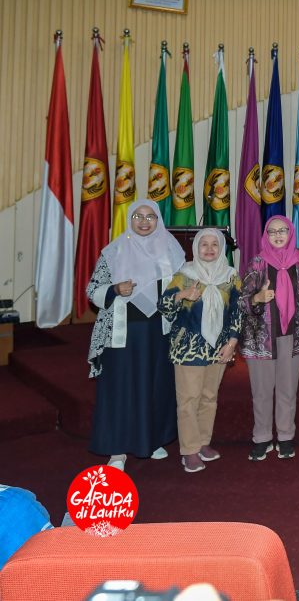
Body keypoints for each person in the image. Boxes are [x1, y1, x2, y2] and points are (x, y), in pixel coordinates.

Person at [86, 199, 185, 471]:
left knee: (155, 386)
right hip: (122, 335)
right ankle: (117, 450)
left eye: (150, 216)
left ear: (158, 220)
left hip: (159, 333)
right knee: (121, 389)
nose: (144, 222)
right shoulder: (114, 251)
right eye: (138, 216)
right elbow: (92, 290)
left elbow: (181, 286)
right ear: (130, 219)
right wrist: (115, 289)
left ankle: (152, 440)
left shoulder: (170, 250)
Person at [159, 228, 241, 473]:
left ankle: (203, 442)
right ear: (196, 248)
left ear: (221, 248)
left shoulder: (231, 276)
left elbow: (237, 311)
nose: (209, 249)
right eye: (204, 244)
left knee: (209, 398)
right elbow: (163, 306)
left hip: (219, 348)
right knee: (188, 400)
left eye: (214, 244)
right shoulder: (184, 275)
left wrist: (232, 343)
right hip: (188, 348)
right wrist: (183, 295)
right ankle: (189, 450)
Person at [240, 216, 299, 461]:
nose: (277, 235)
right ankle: (262, 438)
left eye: (282, 230)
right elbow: (241, 301)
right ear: (266, 235)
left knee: (287, 390)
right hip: (260, 339)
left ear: (290, 232)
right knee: (262, 392)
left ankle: (285, 437)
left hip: (293, 337)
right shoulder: (257, 263)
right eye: (272, 231)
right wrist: (257, 298)